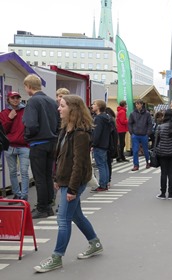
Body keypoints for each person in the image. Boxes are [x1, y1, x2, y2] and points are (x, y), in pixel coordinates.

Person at [33, 95, 103, 273]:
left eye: (62, 106)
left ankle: (57, 257)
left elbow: (79, 164)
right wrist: (57, 178)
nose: (58, 109)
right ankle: (95, 243)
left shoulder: (80, 134)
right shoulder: (66, 130)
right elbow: (61, 158)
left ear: (72, 109)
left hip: (74, 182)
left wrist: (71, 188)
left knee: (63, 219)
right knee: (76, 216)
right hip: (66, 180)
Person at [22, 74, 59, 219]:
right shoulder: (51, 101)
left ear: (29, 86)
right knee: (48, 175)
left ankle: (42, 207)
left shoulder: (32, 102)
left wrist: (28, 137)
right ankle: (49, 205)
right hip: (52, 142)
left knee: (39, 178)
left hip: (38, 143)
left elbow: (31, 124)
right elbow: (58, 123)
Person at [0, 92, 30, 202]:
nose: (16, 100)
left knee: (24, 171)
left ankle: (24, 196)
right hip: (10, 147)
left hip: (24, 146)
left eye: (18, 97)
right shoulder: (4, 113)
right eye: (13, 98)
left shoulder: (26, 111)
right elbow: (3, 130)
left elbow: (30, 125)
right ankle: (17, 194)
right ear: (8, 99)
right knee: (12, 172)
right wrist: (9, 118)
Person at [91, 100, 113, 192]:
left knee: (100, 165)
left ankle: (102, 185)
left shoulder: (99, 118)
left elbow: (97, 133)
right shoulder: (107, 117)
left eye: (94, 104)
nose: (92, 106)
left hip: (99, 145)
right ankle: (106, 182)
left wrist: (93, 144)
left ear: (99, 107)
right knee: (104, 164)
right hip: (105, 144)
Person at [128, 99, 153, 171]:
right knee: (135, 150)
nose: (137, 105)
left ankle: (147, 162)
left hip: (144, 134)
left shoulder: (147, 114)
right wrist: (131, 132)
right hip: (135, 134)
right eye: (136, 104)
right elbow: (130, 123)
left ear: (142, 104)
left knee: (145, 150)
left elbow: (149, 124)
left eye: (138, 104)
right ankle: (136, 165)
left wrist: (148, 133)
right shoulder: (132, 114)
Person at [105, 107, 118, 188]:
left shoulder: (108, 120)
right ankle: (108, 180)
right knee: (108, 163)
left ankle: (106, 181)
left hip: (107, 145)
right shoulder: (113, 120)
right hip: (112, 145)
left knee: (105, 164)